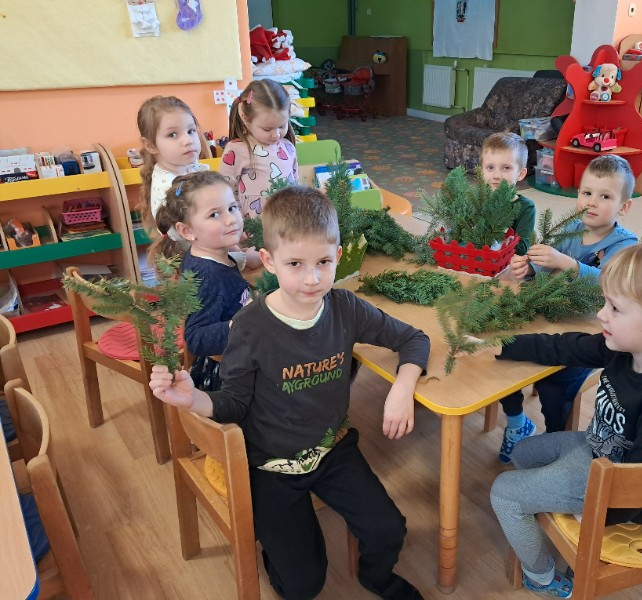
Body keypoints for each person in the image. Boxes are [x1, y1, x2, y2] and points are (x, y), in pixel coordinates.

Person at [149, 186, 429, 600]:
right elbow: (233, 404)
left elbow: (413, 339)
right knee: (302, 585)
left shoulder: (345, 308)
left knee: (389, 529)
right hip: (269, 466)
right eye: (295, 264)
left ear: (338, 255)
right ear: (268, 260)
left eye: (324, 262)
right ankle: (278, 555)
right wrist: (191, 399)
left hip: (333, 449)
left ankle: (376, 579)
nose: (312, 278)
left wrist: (402, 388)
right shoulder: (249, 327)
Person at [488, 241, 642, 597]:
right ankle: (543, 507)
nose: (602, 315)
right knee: (523, 453)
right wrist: (505, 345)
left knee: (505, 494)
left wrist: (601, 515)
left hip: (625, 491)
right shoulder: (627, 347)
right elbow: (566, 346)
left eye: (615, 308)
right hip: (602, 454)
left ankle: (542, 577)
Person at [496, 155, 638, 463]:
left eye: (605, 196)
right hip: (549, 316)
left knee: (555, 382)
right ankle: (517, 422)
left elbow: (610, 286)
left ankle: (554, 435)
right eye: (587, 193)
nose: (592, 202)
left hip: (589, 334)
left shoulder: (624, 245)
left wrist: (568, 264)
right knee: (504, 350)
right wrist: (529, 268)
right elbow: (545, 267)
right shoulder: (569, 229)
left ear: (624, 207)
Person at [148, 170, 251, 391]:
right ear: (187, 231)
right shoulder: (208, 276)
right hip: (228, 378)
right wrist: (244, 323)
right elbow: (196, 338)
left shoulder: (209, 255)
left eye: (232, 208)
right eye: (214, 214)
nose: (230, 219)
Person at [219, 79, 300, 220]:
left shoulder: (289, 147)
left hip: (287, 222)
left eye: (282, 126)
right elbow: (225, 191)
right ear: (245, 118)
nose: (276, 135)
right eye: (267, 129)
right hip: (253, 225)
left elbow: (296, 185)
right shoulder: (236, 150)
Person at [136, 96, 211, 236]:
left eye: (191, 131)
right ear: (151, 145)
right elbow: (179, 236)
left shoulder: (191, 167)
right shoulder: (167, 187)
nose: (188, 140)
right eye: (173, 134)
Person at [480, 131, 537, 255]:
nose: (496, 175)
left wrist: (494, 240)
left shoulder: (526, 207)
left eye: (506, 168)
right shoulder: (476, 200)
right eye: (490, 167)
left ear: (520, 174)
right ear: (481, 171)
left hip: (506, 262)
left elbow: (522, 247)